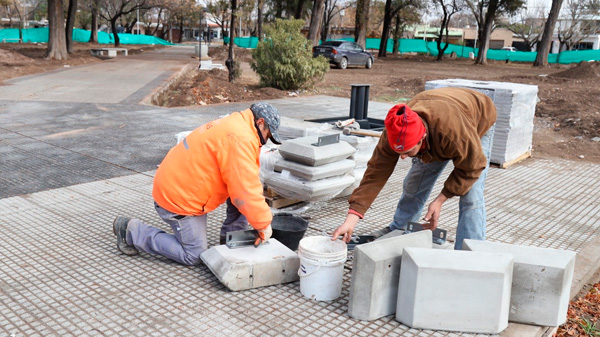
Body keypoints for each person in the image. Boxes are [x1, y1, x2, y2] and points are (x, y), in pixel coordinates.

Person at [112, 102, 282, 265]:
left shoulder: (238, 123)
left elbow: (244, 182)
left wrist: (257, 215)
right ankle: (131, 231)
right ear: (260, 123)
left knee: (241, 196)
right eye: (268, 135)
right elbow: (246, 191)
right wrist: (264, 224)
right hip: (178, 198)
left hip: (182, 183)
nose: (266, 140)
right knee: (193, 254)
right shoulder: (240, 138)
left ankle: (231, 240)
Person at [331, 87, 497, 250]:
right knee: (414, 182)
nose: (403, 157)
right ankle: (399, 229)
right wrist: (352, 218)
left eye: (408, 152)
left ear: (422, 138)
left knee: (471, 194)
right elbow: (376, 172)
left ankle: (470, 252)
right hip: (441, 116)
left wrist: (440, 199)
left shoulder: (454, 135)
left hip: (476, 119)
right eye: (399, 152)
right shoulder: (394, 132)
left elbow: (472, 167)